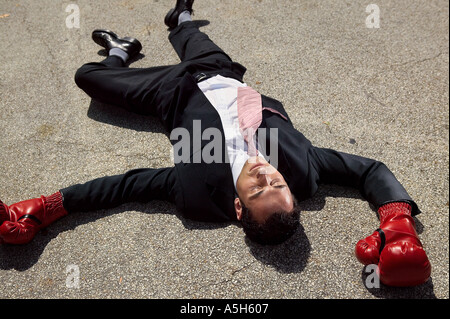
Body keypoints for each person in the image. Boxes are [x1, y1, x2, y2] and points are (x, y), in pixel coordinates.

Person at [0, 0, 431, 287]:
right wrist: (397, 226)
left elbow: (125, 187)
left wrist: (48, 207)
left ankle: (121, 51)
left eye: (258, 190)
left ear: (239, 207)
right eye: (277, 186)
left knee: (87, 77)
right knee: (186, 31)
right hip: (221, 74)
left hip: (167, 91)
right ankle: (182, 15)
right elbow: (370, 171)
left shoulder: (196, 193)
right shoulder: (303, 168)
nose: (266, 176)